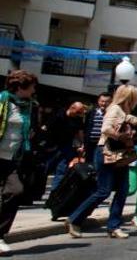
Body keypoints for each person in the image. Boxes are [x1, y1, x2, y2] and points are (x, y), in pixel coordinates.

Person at [66, 85, 137, 239]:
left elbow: (129, 119)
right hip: (106, 153)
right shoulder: (115, 109)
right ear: (128, 98)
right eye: (134, 97)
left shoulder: (123, 111)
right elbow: (106, 129)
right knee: (104, 190)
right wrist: (121, 136)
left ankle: (114, 226)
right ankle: (74, 219)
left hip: (119, 155)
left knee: (123, 190)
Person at [0, 70, 39, 255]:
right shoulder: (3, 100)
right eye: (31, 87)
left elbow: (30, 128)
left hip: (13, 157)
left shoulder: (30, 106)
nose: (33, 90)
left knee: (15, 191)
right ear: (20, 87)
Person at [46, 101, 87, 190]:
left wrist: (82, 144)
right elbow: (47, 128)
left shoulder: (77, 119)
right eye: (78, 112)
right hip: (52, 145)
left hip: (66, 145)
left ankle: (55, 191)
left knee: (62, 169)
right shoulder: (58, 115)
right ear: (72, 108)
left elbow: (80, 132)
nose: (79, 115)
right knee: (46, 167)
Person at [84, 93, 112, 166]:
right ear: (98, 101)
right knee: (89, 163)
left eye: (107, 101)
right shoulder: (91, 113)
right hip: (89, 143)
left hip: (104, 145)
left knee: (100, 164)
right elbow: (85, 127)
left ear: (111, 102)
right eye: (102, 101)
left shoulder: (112, 114)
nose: (104, 103)